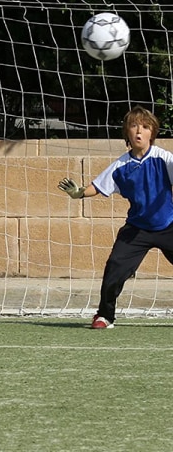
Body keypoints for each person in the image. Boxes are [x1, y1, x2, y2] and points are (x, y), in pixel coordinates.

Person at [58, 105, 173, 329]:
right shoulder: (121, 166)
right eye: (134, 126)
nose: (139, 131)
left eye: (145, 127)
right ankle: (104, 316)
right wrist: (78, 193)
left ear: (153, 132)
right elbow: (97, 186)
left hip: (168, 225)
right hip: (136, 230)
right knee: (114, 270)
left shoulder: (164, 159)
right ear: (127, 133)